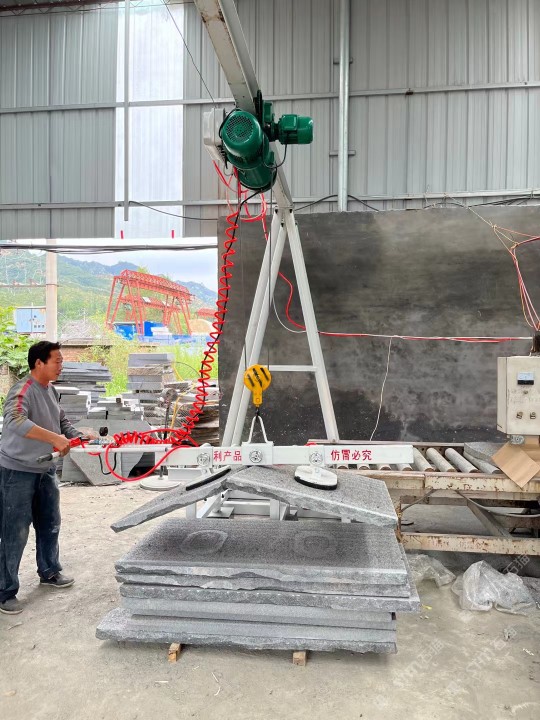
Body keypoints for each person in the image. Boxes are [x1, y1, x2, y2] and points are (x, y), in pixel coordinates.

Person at [0, 341, 91, 615]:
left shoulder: (50, 390)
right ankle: (5, 592)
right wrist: (55, 438)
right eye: (57, 361)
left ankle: (49, 571)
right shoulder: (23, 390)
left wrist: (76, 435)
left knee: (50, 523)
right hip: (17, 471)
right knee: (15, 531)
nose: (61, 366)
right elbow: (14, 420)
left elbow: (60, 421)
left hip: (45, 469)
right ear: (39, 363)